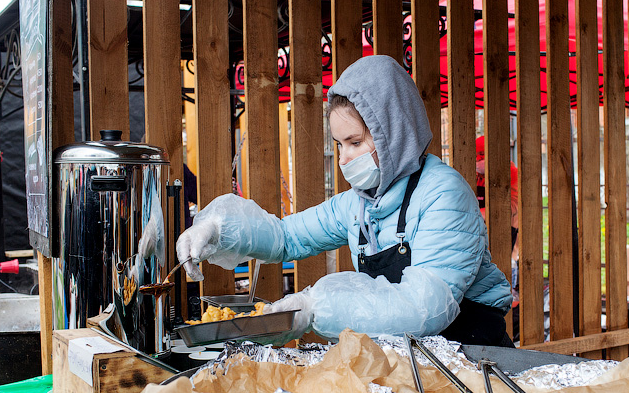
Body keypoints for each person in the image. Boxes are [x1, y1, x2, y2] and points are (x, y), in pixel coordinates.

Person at [176, 55, 513, 346]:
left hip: (476, 358)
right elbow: (288, 236)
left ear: (393, 136)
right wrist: (218, 230)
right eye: (339, 144)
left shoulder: (443, 194)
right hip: (415, 363)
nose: (344, 158)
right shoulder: (359, 204)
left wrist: (315, 308)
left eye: (355, 142)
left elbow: (423, 308)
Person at [475, 135, 521, 340]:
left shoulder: (512, 173)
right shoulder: (475, 175)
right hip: (479, 234)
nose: (478, 160)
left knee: (504, 274)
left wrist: (477, 213)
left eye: (482, 156)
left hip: (506, 235)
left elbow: (512, 207)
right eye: (476, 156)